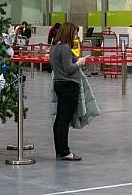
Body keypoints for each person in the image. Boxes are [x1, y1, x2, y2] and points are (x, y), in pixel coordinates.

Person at [49, 22, 87, 161]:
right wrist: (79, 62)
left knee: (59, 119)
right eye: (75, 34)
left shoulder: (54, 47)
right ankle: (65, 151)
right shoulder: (64, 48)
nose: (76, 36)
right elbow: (69, 68)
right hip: (69, 86)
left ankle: (60, 150)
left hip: (60, 84)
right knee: (64, 120)